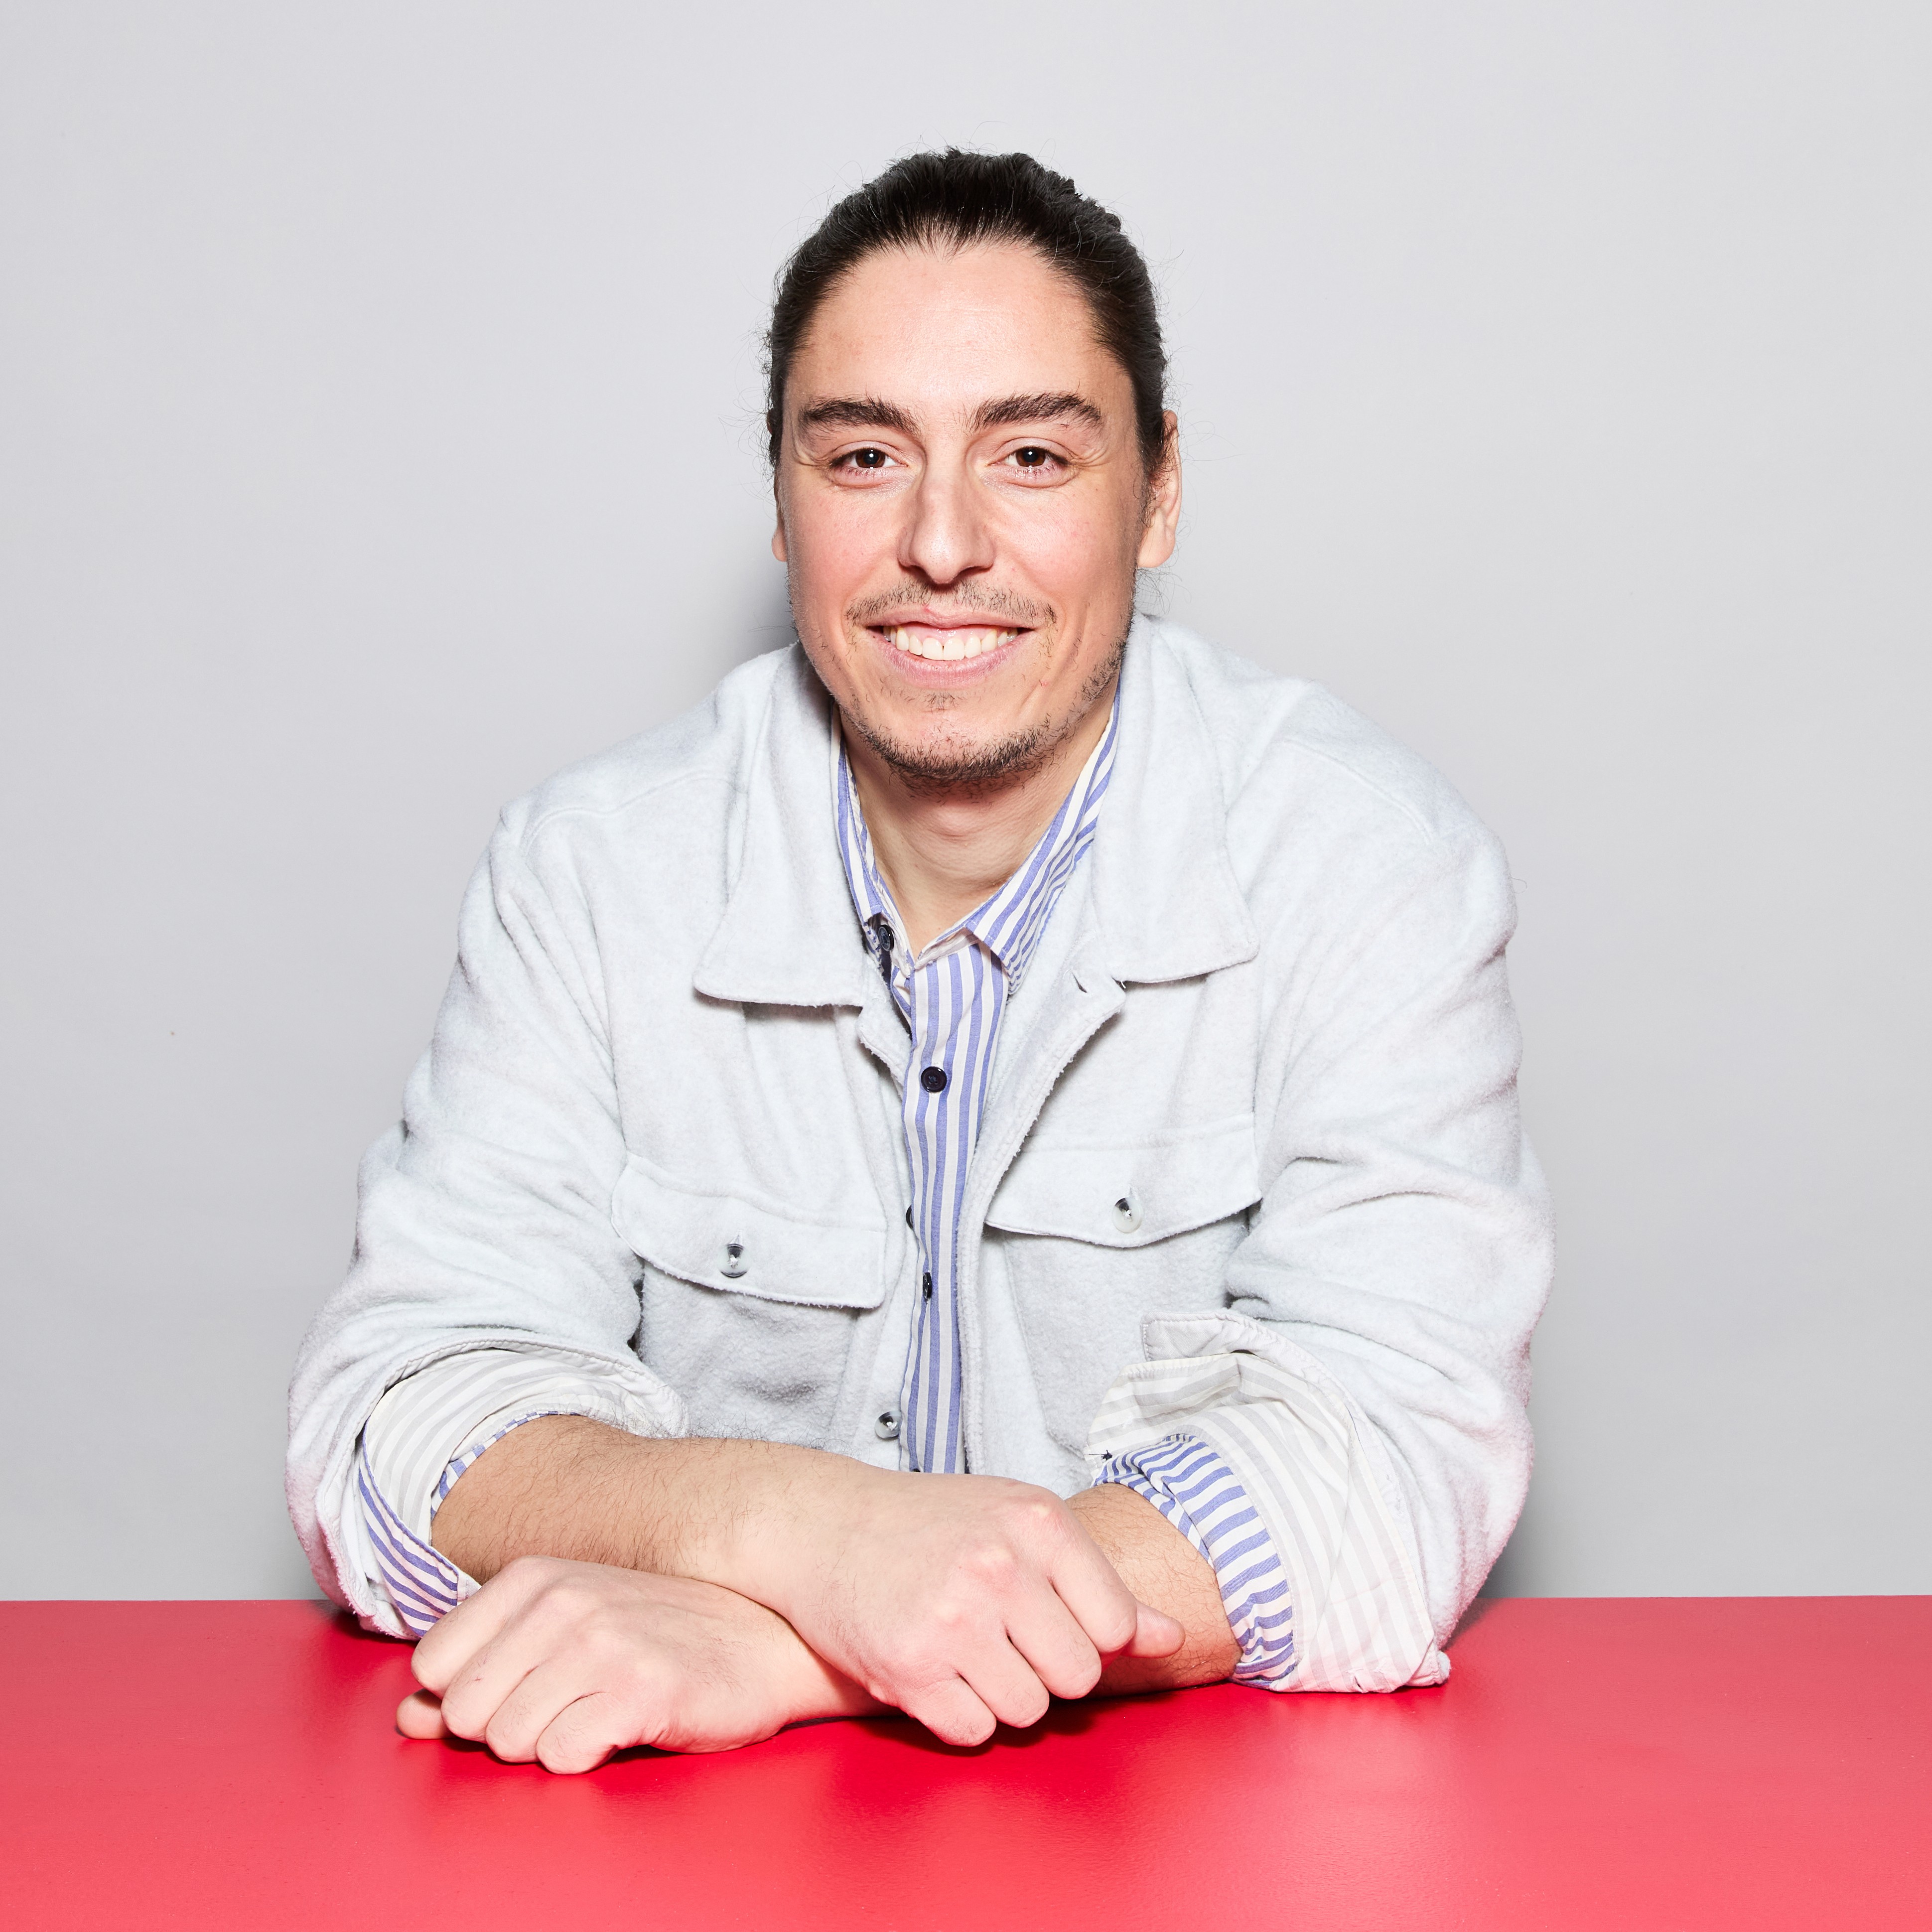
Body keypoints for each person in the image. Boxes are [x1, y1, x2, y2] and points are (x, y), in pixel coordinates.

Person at [287, 149, 1552, 1775]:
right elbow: (392, 1424)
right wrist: (809, 1534)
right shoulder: (590, 871)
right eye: (867, 457)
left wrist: (798, 1649)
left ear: (1160, 491)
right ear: (782, 501)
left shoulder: (1366, 860)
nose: (942, 542)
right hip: (707, 1856)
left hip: (1180, 1837)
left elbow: (1392, 1467)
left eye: (1031, 454)